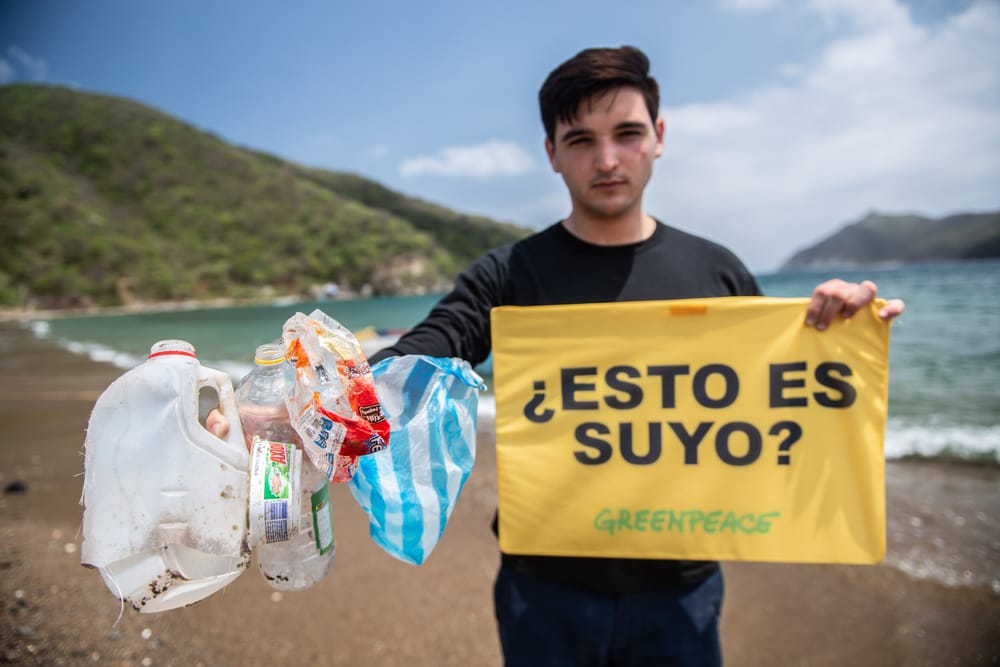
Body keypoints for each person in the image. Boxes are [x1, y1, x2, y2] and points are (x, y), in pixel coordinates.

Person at [211, 46, 903, 666]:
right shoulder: (509, 275)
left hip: (683, 585)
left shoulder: (717, 270)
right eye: (581, 140)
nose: (606, 159)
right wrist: (296, 404)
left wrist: (835, 330)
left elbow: (775, 401)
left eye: (627, 134)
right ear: (551, 151)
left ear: (658, 138)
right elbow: (426, 350)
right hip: (543, 585)